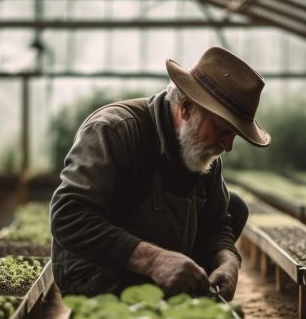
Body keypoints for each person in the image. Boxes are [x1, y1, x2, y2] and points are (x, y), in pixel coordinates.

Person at [50, 46, 271, 301]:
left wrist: (228, 258)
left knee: (235, 207)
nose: (228, 145)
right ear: (187, 107)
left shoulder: (203, 150)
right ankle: (170, 294)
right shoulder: (114, 130)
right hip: (96, 272)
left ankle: (188, 290)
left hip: (153, 262)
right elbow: (68, 214)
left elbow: (217, 221)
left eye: (234, 135)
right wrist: (155, 261)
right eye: (223, 130)